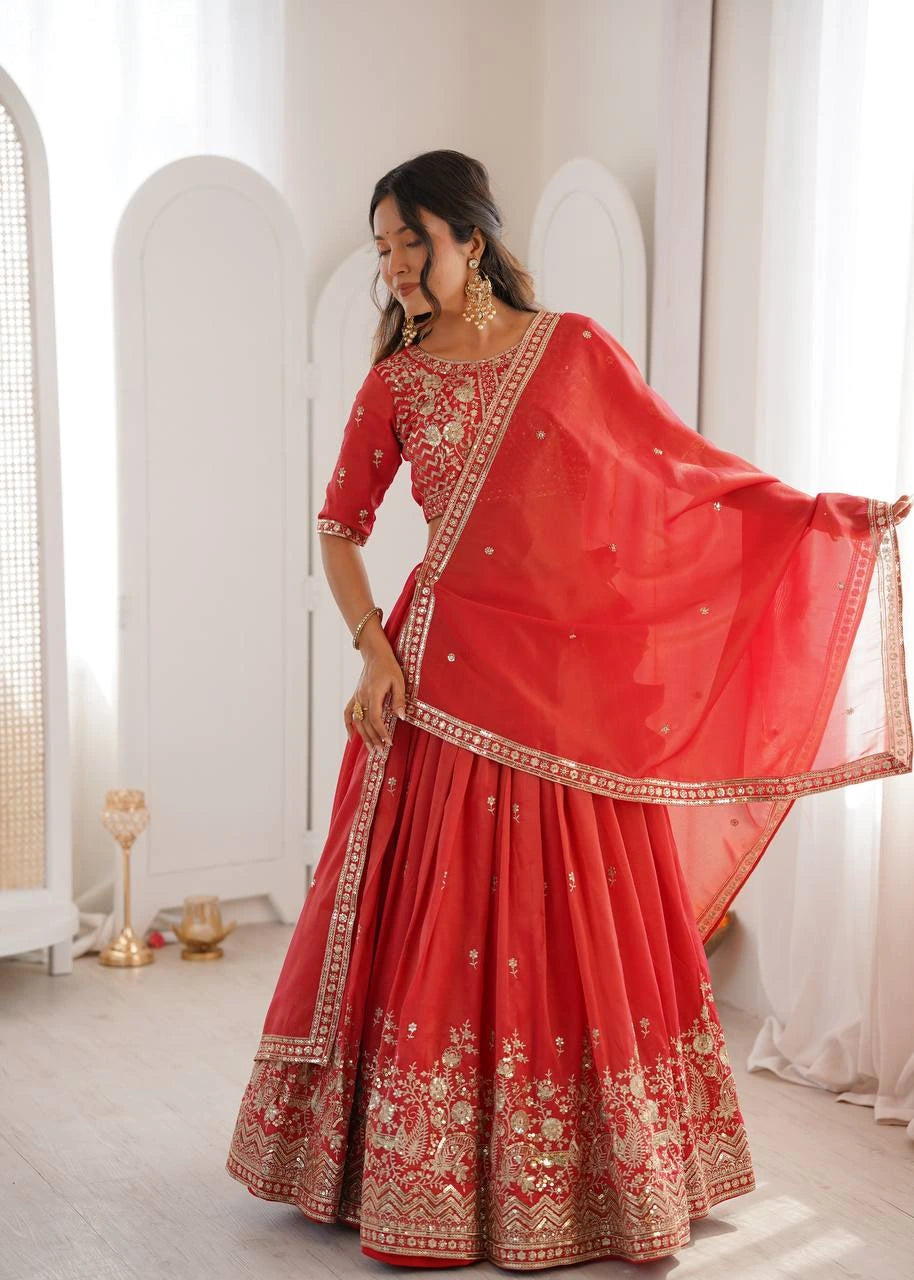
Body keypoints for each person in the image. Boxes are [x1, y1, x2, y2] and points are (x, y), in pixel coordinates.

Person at [226, 149, 912, 1271]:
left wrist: (822, 518)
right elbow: (338, 528)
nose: (396, 265)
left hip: (568, 687)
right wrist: (371, 651)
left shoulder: (574, 349)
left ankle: (603, 1167)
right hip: (440, 682)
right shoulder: (397, 380)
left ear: (472, 239)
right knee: (438, 932)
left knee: (578, 924)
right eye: (383, 247)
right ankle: (416, 1168)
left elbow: (680, 480)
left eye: (414, 240)